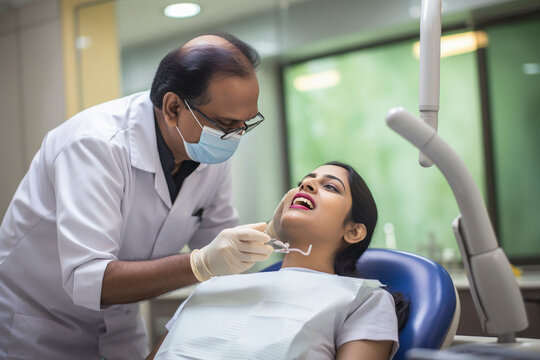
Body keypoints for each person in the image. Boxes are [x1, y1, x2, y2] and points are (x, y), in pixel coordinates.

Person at [0, 33, 276, 359]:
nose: (237, 137)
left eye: (246, 124)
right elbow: (88, 279)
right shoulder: (94, 145)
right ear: (174, 107)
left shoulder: (208, 154)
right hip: (40, 328)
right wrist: (201, 263)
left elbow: (223, 257)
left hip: (122, 329)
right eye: (228, 124)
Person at [148, 161, 409, 360]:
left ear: (353, 231)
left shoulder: (365, 301)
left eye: (330, 186)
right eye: (304, 182)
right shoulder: (217, 284)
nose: (306, 186)